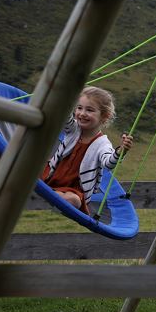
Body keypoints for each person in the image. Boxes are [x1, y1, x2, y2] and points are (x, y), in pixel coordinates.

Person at [41, 86, 133, 215]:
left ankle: (49, 194)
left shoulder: (102, 144)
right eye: (79, 108)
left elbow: (109, 163)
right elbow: (64, 114)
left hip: (72, 189)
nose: (82, 113)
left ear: (104, 116)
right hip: (51, 175)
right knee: (32, 165)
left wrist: (120, 151)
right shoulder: (73, 129)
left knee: (74, 201)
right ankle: (48, 191)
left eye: (89, 110)